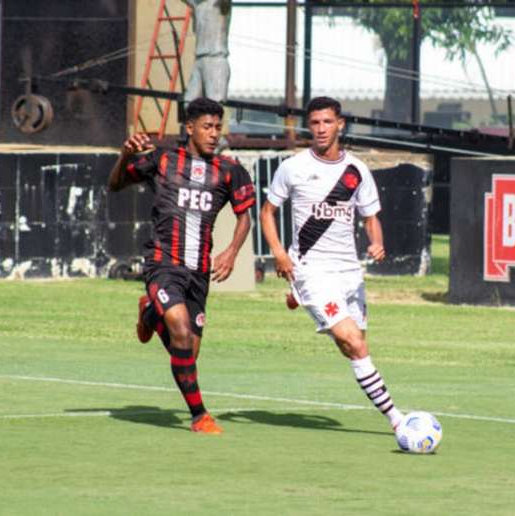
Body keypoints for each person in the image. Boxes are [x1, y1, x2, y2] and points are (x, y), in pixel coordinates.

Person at [108, 97, 255, 434]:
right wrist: (126, 155)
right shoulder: (163, 159)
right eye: (207, 126)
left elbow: (244, 218)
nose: (214, 133)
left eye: (218, 127)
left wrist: (231, 251)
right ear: (189, 128)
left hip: (198, 273)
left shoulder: (230, 170)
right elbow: (115, 184)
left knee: (187, 349)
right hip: (163, 262)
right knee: (180, 329)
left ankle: (149, 314)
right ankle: (200, 415)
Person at [259, 96, 404, 431]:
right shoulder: (294, 167)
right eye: (315, 123)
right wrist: (280, 254)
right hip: (311, 270)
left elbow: (371, 217)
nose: (321, 129)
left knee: (355, 344)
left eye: (327, 122)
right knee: (355, 343)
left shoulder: (356, 171)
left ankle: (299, 297)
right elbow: (268, 213)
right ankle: (397, 420)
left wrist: (377, 241)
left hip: (349, 273)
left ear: (340, 124)